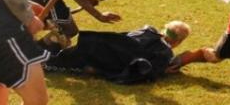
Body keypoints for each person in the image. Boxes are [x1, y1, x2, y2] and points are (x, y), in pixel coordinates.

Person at [45, 21, 191, 84]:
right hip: (109, 62)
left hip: (100, 44)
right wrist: (164, 71)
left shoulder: (146, 31)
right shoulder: (165, 54)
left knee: (66, 57)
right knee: (64, 64)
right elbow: (147, 71)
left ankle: (42, 55)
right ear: (178, 42)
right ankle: (42, 62)